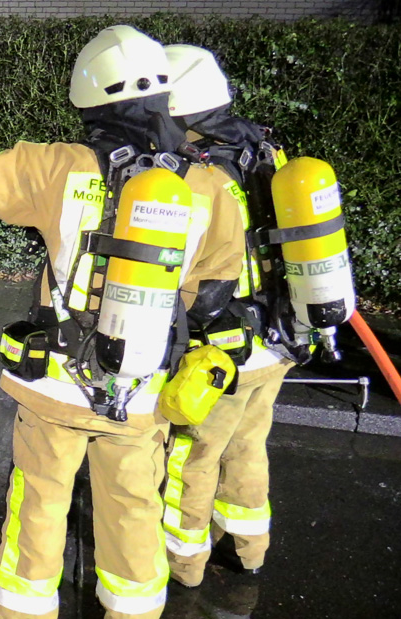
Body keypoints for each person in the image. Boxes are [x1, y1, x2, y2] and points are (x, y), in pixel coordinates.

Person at [0, 26, 244, 619]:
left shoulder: (56, 167)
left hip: (56, 389)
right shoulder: (209, 187)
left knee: (40, 504)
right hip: (142, 391)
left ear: (90, 100)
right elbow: (212, 297)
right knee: (134, 509)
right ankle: (134, 610)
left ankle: (23, 610)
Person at [160, 44, 296, 587]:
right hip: (278, 337)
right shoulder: (264, 150)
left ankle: (183, 564)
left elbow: (192, 277)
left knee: (191, 458)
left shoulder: (196, 173)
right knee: (247, 446)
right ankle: (250, 551)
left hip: (222, 351)